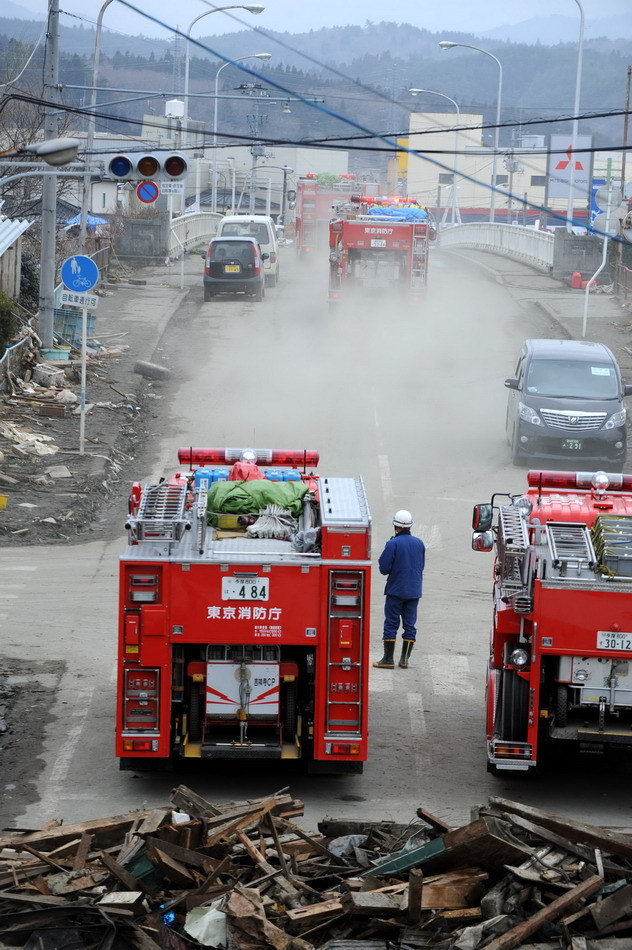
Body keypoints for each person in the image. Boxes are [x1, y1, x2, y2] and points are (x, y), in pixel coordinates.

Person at [373, 509, 425, 670]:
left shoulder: (392, 543)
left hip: (396, 590)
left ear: (395, 525)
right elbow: (421, 566)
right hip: (414, 590)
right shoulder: (419, 543)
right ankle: (404, 660)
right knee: (410, 624)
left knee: (391, 623)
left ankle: (388, 659)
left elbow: (384, 568)